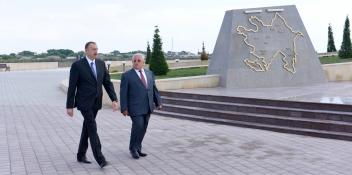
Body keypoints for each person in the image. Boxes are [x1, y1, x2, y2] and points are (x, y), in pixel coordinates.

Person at [66, 41, 119, 168]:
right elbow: (72, 86)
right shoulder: (77, 65)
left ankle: (80, 154)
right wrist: (69, 106)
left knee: (87, 127)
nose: (96, 51)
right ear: (86, 50)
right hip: (84, 102)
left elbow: (107, 83)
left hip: (96, 102)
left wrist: (114, 99)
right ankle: (100, 158)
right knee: (92, 127)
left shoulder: (101, 64)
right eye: (93, 49)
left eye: (97, 49)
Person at [120, 53, 162, 159]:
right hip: (134, 107)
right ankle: (133, 148)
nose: (136, 62)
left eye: (139, 61)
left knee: (143, 128)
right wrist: (124, 108)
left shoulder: (149, 73)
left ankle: (138, 148)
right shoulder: (127, 75)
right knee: (138, 125)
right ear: (132, 62)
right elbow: (123, 93)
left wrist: (158, 102)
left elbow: (153, 89)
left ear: (143, 62)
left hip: (147, 106)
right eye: (135, 61)